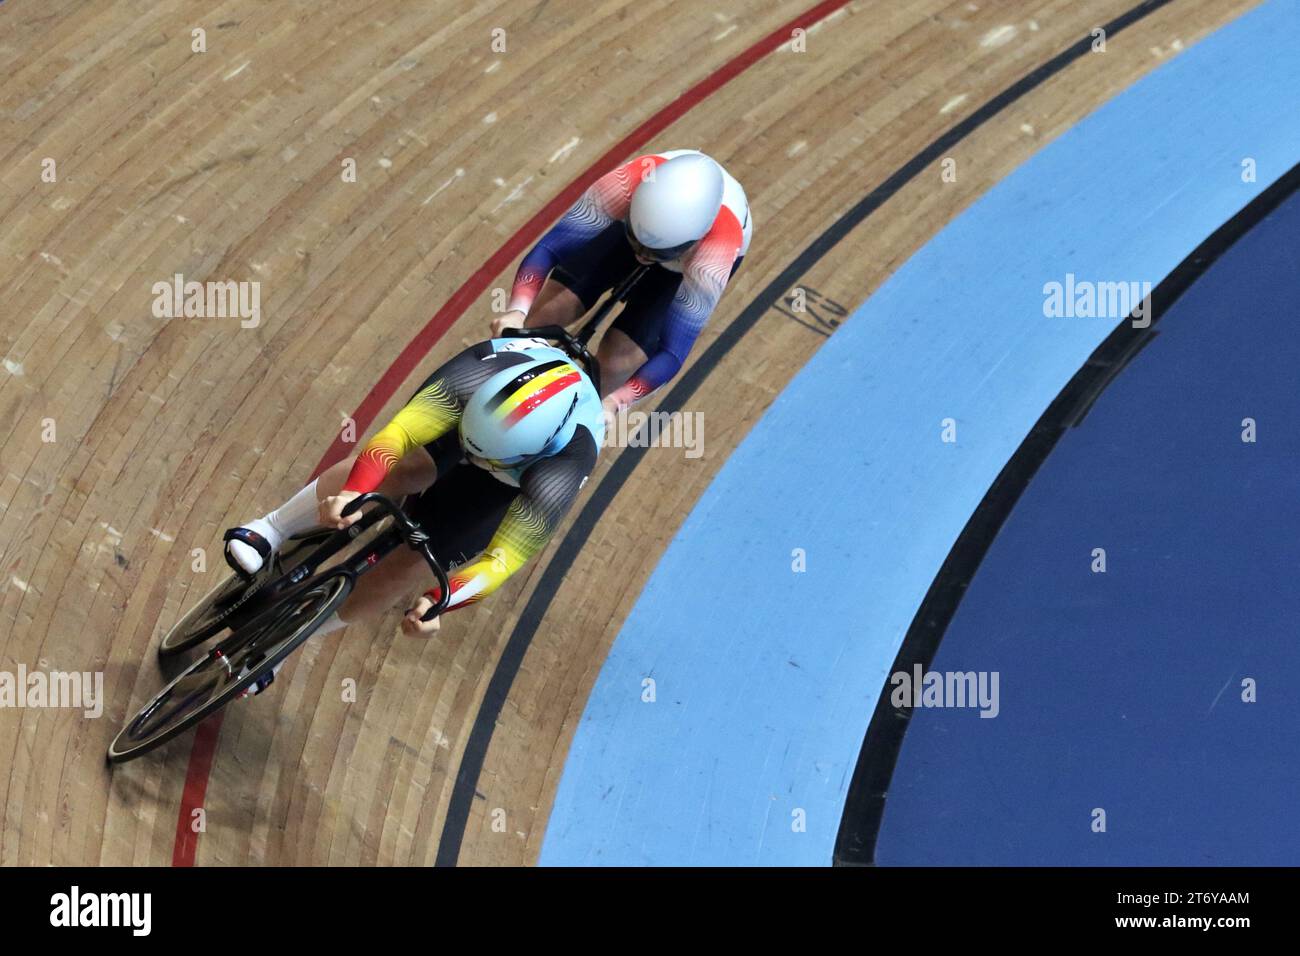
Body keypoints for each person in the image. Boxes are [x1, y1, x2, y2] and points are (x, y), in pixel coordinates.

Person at [220, 336, 604, 694]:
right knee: (407, 467)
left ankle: (290, 641)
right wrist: (353, 492)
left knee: (416, 563)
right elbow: (396, 436)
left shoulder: (564, 467)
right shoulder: (471, 377)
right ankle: (271, 527)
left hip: (508, 483)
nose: (473, 460)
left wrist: (440, 601)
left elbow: (502, 560)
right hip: (461, 423)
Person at [491, 149, 752, 426]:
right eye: (638, 243)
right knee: (547, 313)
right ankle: (488, 384)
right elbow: (549, 249)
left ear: (694, 242)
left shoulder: (713, 257)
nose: (642, 256)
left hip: (683, 270)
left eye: (654, 252)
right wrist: (517, 311)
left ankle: (558, 426)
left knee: (617, 362)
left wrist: (616, 402)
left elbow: (673, 351)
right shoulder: (626, 184)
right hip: (633, 231)